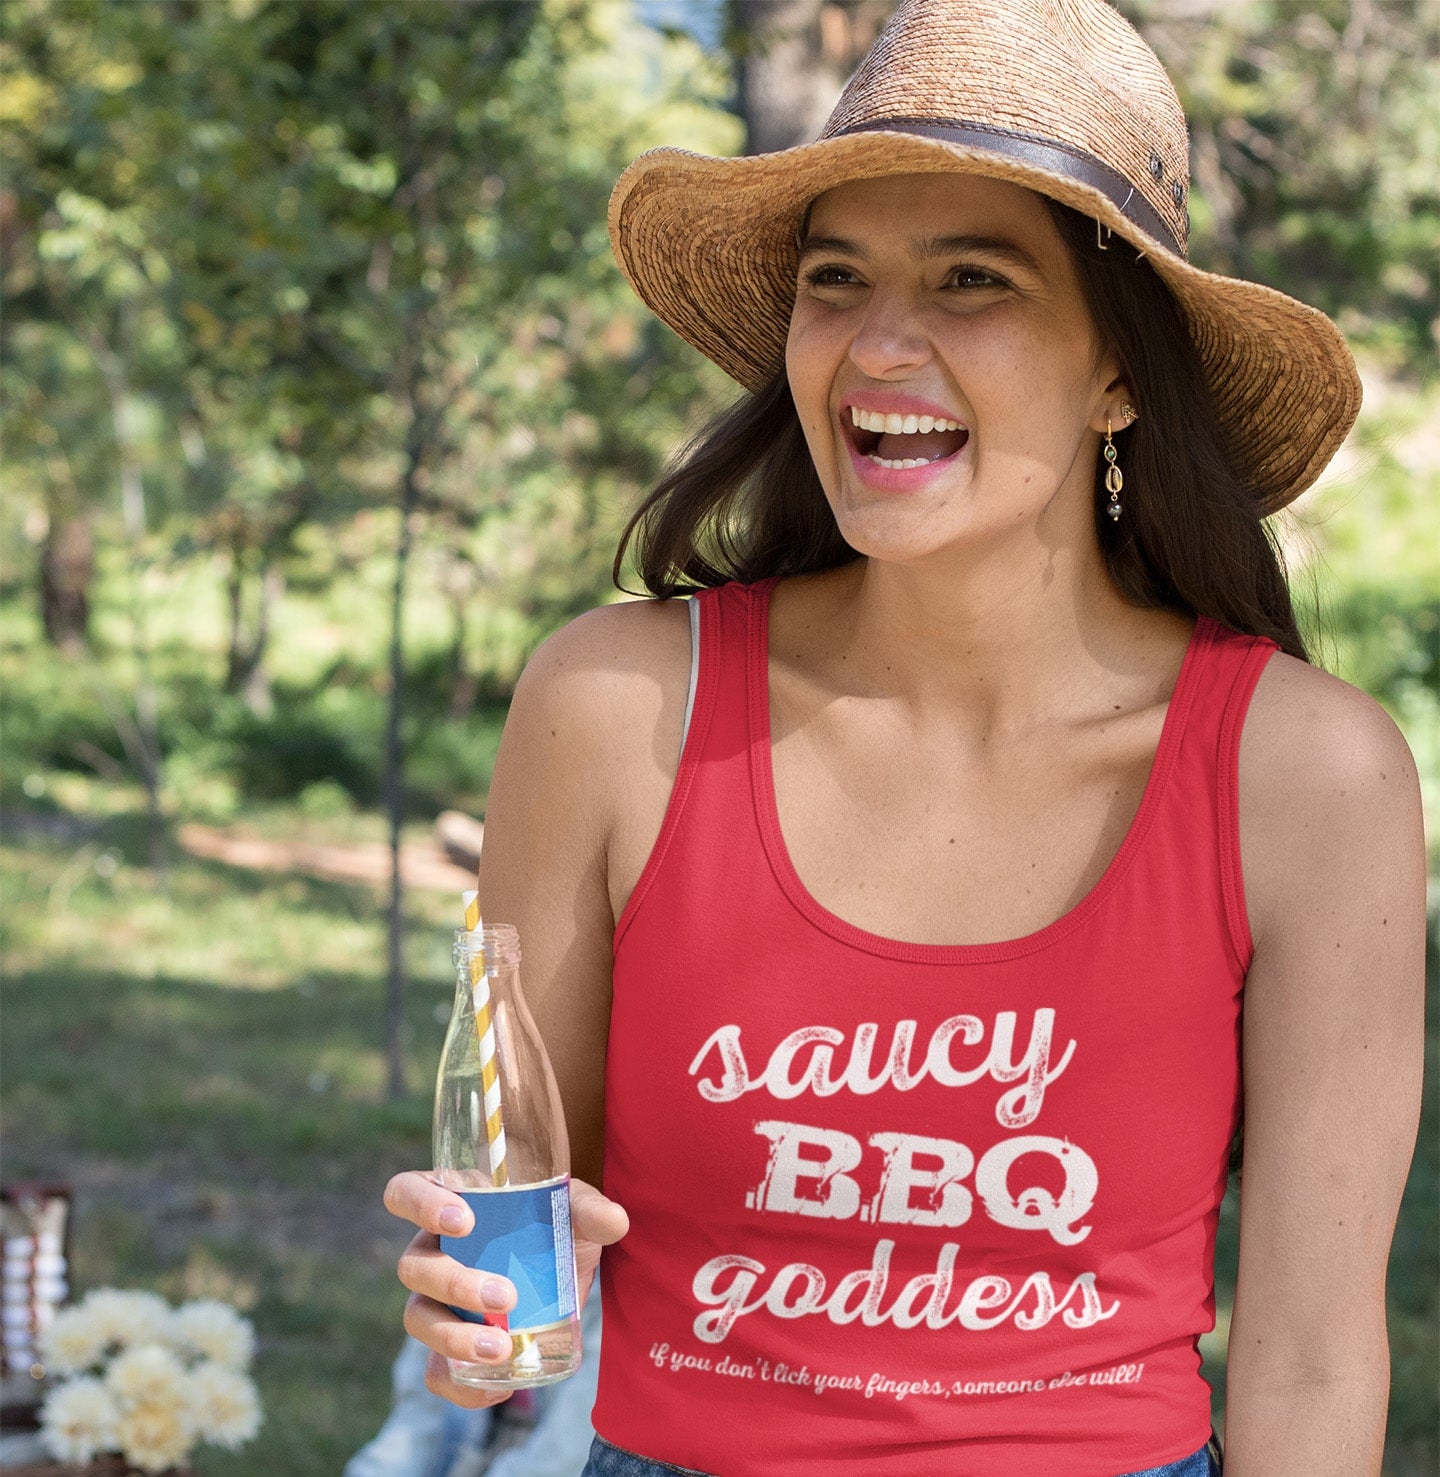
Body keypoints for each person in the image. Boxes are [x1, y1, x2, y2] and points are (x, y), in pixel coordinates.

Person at [383, 1, 1427, 1473]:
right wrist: (468, 1299)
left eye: (973, 281)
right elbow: (522, 1221)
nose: (880, 343)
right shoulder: (613, 709)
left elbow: (1316, 1356)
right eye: (838, 278)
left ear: (1121, 369)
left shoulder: (1307, 775)